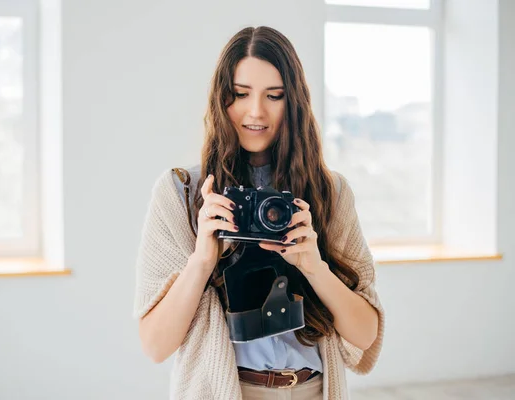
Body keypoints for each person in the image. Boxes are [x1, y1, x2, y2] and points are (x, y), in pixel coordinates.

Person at [133, 26, 384, 400]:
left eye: (274, 95)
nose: (256, 111)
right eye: (240, 94)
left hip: (312, 389)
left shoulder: (329, 193)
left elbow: (365, 336)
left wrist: (314, 266)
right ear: (222, 99)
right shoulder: (181, 192)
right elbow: (155, 346)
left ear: (293, 101)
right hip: (224, 390)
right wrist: (202, 260)